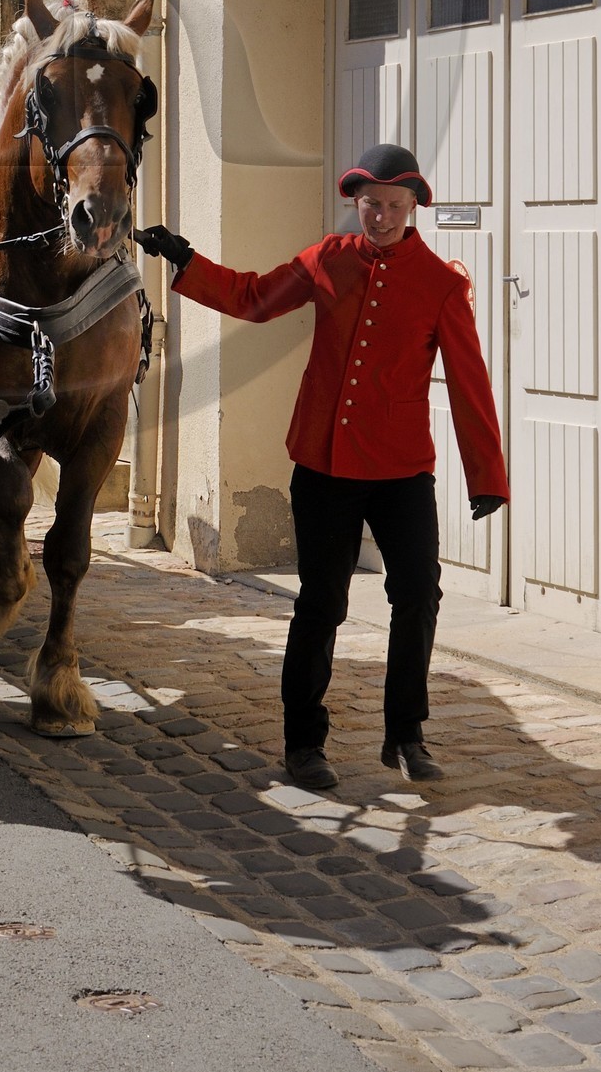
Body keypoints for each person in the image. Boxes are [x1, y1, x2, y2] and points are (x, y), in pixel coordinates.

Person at [139, 143, 508, 792]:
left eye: (393, 205)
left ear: (412, 207)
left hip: (401, 469)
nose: (381, 217)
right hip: (325, 462)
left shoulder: (441, 284)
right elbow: (255, 297)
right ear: (356, 203)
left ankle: (406, 733)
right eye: (371, 204)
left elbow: (469, 382)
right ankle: (303, 742)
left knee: (418, 593)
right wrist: (188, 262)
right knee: (321, 602)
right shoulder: (328, 259)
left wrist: (487, 478)